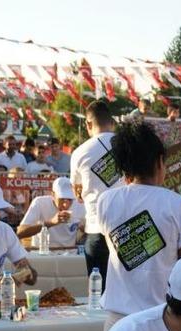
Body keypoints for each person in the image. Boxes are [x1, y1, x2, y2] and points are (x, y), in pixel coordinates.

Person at [98, 121, 181, 331]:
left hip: (117, 321)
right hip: (162, 319)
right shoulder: (178, 204)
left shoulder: (105, 201)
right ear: (159, 161)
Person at [70, 100, 123, 284]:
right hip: (127, 228)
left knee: (98, 294)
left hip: (96, 229)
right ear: (112, 122)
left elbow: (77, 192)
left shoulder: (79, 152)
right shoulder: (128, 146)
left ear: (88, 124)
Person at [17, 177, 85, 248]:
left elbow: (88, 233)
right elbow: (20, 232)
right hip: (42, 253)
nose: (66, 204)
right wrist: (51, 222)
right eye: (62, 199)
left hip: (69, 252)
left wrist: (84, 230)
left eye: (70, 199)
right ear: (52, 194)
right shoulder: (40, 202)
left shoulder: (80, 205)